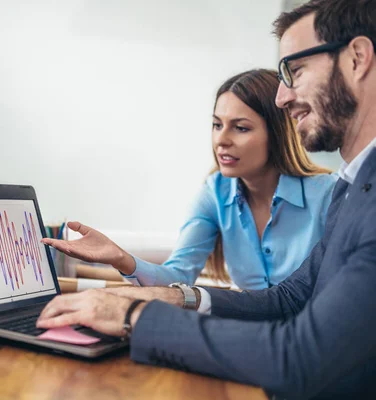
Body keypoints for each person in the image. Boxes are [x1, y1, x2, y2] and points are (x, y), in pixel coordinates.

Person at [37, 0, 376, 398]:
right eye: (217, 125)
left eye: (295, 70)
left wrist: (134, 316)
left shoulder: (338, 190)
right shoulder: (353, 188)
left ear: (357, 58)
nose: (284, 98)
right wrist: (172, 295)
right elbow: (288, 296)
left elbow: (300, 355)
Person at [51, 69, 337, 290]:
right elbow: (178, 276)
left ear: (277, 134)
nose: (221, 140)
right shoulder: (215, 193)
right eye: (216, 125)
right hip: (252, 338)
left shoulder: (328, 195)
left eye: (240, 128)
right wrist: (119, 257)